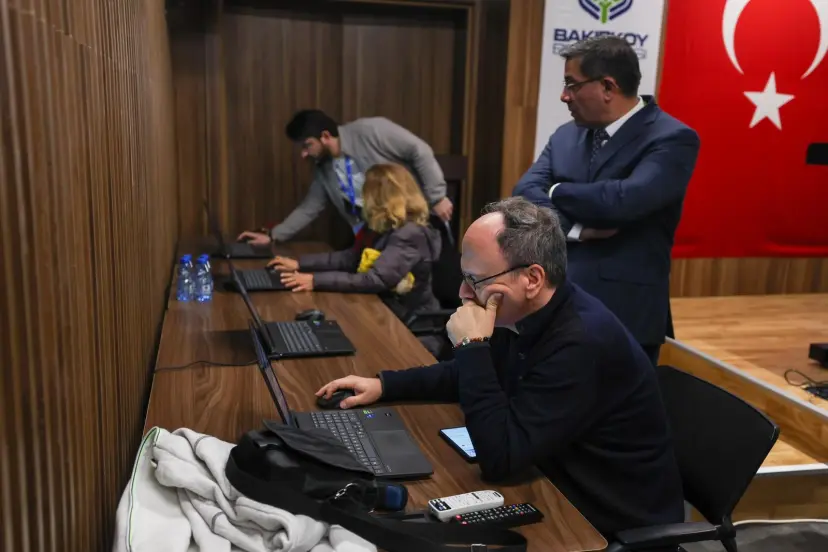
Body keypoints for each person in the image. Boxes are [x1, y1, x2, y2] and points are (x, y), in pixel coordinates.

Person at [315, 197, 685, 538]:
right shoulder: (524, 312)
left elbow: (500, 458)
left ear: (532, 278)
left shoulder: (582, 342)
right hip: (551, 475)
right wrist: (384, 385)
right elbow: (466, 374)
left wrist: (472, 346)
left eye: (474, 280)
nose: (463, 293)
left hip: (601, 519)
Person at [512, 36, 700, 365]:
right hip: (552, 307)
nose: (564, 95)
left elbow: (623, 201)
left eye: (572, 84)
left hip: (623, 315)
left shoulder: (672, 138)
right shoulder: (566, 134)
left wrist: (556, 190)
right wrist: (574, 229)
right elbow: (525, 190)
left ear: (608, 87)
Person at [268, 163, 444, 357]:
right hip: (383, 312)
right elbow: (351, 258)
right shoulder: (385, 224)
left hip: (410, 327)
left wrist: (314, 280)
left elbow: (375, 279)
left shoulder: (409, 234)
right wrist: (300, 264)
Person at [238, 110, 454, 244]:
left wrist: (437, 196)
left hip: (414, 224)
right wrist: (273, 235)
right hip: (376, 236)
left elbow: (419, 150)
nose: (304, 154)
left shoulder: (371, 130)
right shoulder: (323, 168)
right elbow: (309, 208)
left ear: (325, 136)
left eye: (307, 145)